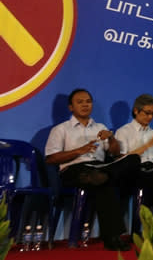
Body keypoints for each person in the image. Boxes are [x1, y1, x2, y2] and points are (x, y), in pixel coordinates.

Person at [45, 88, 141, 251]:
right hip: (74, 170)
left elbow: (115, 153)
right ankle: (113, 237)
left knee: (133, 159)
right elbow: (50, 158)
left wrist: (110, 138)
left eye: (88, 101)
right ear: (71, 107)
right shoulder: (61, 129)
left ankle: (103, 176)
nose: (85, 105)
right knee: (104, 182)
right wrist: (78, 151)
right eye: (80, 102)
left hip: (100, 167)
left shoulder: (101, 127)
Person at [114, 94, 153, 245]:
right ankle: (137, 231)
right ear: (136, 111)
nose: (150, 117)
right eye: (147, 112)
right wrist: (147, 145)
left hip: (151, 170)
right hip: (132, 171)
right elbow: (122, 159)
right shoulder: (124, 131)